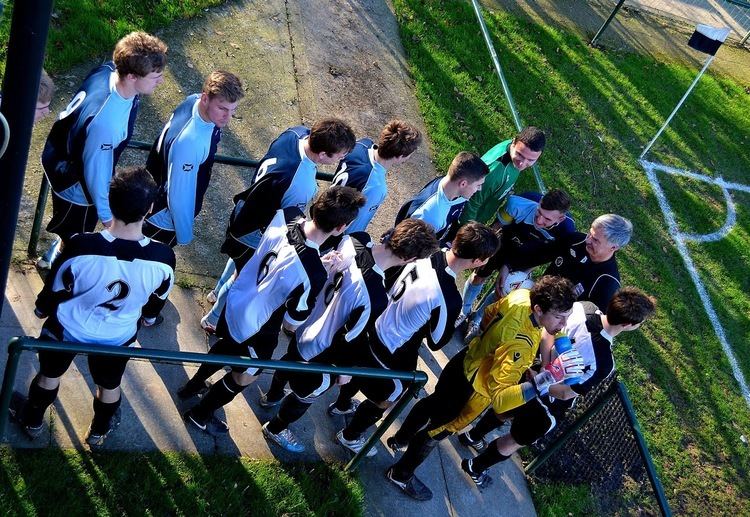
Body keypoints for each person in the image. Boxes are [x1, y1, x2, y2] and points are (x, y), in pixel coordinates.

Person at [178, 186, 365, 436]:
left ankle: (192, 386)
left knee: (226, 345)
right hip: (258, 326)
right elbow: (290, 323)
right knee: (246, 377)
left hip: (238, 297)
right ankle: (200, 415)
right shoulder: (313, 273)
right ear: (342, 228)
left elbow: (288, 255)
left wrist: (314, 263)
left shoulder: (286, 215)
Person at [10, 167, 175, 446]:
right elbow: (155, 304)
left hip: (68, 328)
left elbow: (54, 287)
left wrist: (41, 310)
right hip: (117, 336)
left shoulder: (81, 245)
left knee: (49, 375)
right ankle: (98, 432)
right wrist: (147, 317)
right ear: (149, 209)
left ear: (109, 202)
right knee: (109, 385)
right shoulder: (163, 257)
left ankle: (33, 420)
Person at [385, 276, 581, 501]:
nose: (563, 325)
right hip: (471, 393)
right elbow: (500, 401)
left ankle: (399, 438)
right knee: (437, 431)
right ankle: (401, 474)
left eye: (567, 317)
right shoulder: (521, 345)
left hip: (465, 360)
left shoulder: (521, 296)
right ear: (538, 309)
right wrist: (543, 380)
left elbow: (489, 313)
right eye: (559, 317)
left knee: (431, 403)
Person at [259, 219, 439, 452]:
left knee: (288, 361)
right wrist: (342, 371)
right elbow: (348, 340)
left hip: (308, 324)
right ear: (409, 259)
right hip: (321, 350)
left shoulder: (355, 240)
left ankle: (271, 396)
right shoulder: (375, 296)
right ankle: (275, 428)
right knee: (307, 392)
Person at [328, 222, 500, 457]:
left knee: (359, 371)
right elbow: (437, 341)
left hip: (371, 323)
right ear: (479, 261)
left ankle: (341, 405)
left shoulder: (425, 251)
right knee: (392, 394)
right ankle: (350, 436)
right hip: (389, 347)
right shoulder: (449, 297)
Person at [456, 287, 656, 476]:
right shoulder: (604, 363)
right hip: (547, 405)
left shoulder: (581, 307)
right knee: (513, 441)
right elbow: (565, 393)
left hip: (531, 373)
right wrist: (544, 383)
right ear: (628, 325)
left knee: (505, 409)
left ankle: (471, 436)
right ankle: (474, 468)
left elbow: (546, 333)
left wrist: (543, 367)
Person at [202, 118, 356, 332]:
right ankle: (213, 317)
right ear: (322, 155)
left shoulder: (295, 133)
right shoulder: (300, 183)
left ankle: (215, 292)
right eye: (340, 155)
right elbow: (288, 221)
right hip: (255, 230)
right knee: (243, 276)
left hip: (244, 211)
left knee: (236, 260)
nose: (343, 158)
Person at [38, 31, 168, 269]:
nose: (160, 81)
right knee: (75, 237)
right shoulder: (107, 123)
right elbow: (96, 172)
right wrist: (107, 215)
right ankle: (56, 268)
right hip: (76, 184)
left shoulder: (108, 70)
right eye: (154, 76)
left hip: (62, 156)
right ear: (131, 76)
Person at [143, 70, 244, 247]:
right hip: (162, 220)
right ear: (205, 98)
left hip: (150, 195)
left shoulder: (193, 100)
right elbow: (178, 197)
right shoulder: (190, 142)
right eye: (222, 109)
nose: (227, 118)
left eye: (232, 110)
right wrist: (184, 235)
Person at [461, 189, 576, 338]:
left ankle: (477, 319)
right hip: (503, 243)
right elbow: (496, 229)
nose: (539, 220)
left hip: (525, 257)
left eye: (547, 219)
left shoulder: (566, 233)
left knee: (503, 288)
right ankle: (464, 311)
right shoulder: (518, 202)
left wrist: (520, 271)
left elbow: (543, 257)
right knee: (480, 275)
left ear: (560, 219)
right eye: (539, 212)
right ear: (539, 202)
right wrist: (487, 254)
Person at [506, 213, 632, 311]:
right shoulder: (575, 240)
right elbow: (538, 254)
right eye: (590, 233)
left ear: (614, 247)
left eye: (595, 240)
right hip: (534, 296)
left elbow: (591, 322)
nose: (587, 240)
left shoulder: (607, 282)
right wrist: (508, 266)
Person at [332, 119, 422, 233]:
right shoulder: (376, 186)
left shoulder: (362, 144)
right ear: (400, 156)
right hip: (333, 233)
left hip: (327, 206)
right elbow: (354, 225)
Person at [457, 126, 546, 227]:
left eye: (530, 160)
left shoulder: (517, 153)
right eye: (520, 155)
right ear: (513, 142)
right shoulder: (494, 172)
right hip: (468, 223)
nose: (522, 164)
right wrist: (468, 231)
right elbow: (471, 204)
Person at [395, 151, 488, 244]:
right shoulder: (430, 216)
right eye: (478, 185)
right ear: (463, 184)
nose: (479, 189)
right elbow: (407, 248)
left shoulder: (449, 184)